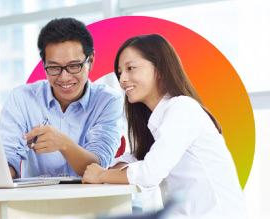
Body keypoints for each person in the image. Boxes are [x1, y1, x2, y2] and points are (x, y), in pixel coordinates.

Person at [82, 34, 247, 218]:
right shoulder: (158, 119)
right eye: (120, 73)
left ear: (159, 69)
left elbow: (149, 173)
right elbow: (136, 159)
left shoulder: (182, 108)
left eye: (130, 68)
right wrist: (111, 170)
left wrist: (102, 175)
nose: (122, 80)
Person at [0, 18, 123, 179]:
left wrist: (63, 143)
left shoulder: (107, 101)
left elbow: (98, 167)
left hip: (91, 200)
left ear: (90, 61)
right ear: (43, 64)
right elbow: (7, 156)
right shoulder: (21, 98)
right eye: (54, 67)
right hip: (35, 201)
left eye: (73, 66)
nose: (64, 77)